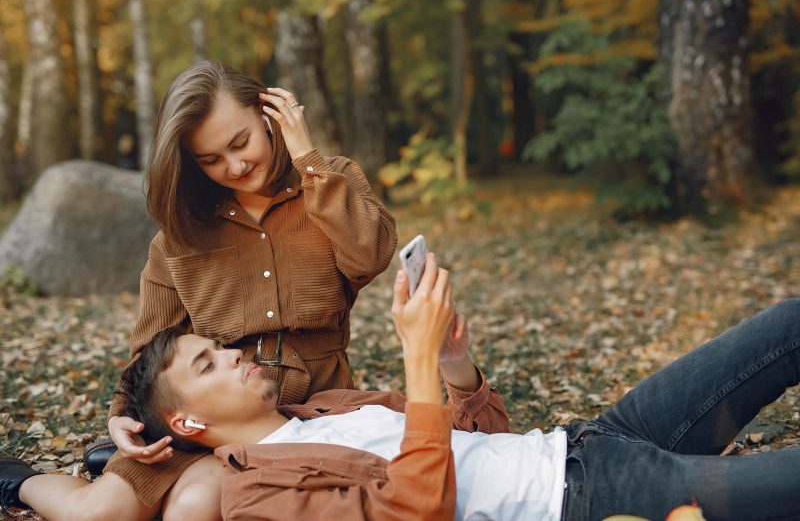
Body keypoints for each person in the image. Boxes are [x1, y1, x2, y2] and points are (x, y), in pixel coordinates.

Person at [6, 254, 798, 520]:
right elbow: (414, 508)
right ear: (184, 419)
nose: (234, 355)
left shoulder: (326, 406)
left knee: (786, 322)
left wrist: (454, 365)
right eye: (207, 364)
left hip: (594, 436)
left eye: (220, 345)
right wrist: (418, 365)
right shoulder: (258, 494)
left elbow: (479, 438)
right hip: (582, 497)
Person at [0, 60, 397, 521]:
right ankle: (21, 481)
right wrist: (122, 414)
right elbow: (153, 345)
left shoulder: (331, 180)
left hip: (306, 411)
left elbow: (371, 255)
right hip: (205, 411)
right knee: (99, 513)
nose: (235, 165)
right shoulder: (180, 233)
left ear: (267, 114)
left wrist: (308, 159)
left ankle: (134, 475)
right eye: (210, 160)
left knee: (196, 505)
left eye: (240, 142)